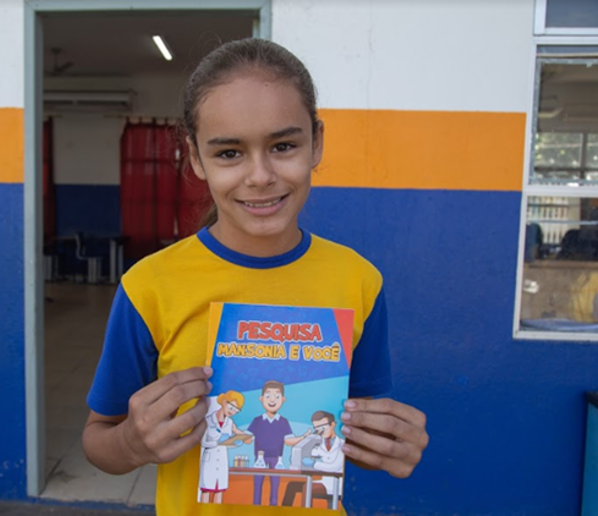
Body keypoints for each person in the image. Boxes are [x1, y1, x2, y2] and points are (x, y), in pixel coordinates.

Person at [82, 38, 429, 516]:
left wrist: (391, 444)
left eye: (283, 145)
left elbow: (349, 436)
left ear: (317, 143)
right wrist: (131, 442)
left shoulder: (360, 282)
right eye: (229, 153)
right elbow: (99, 439)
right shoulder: (149, 287)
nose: (261, 175)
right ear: (196, 158)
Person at [246, 380, 310, 506]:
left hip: (277, 460)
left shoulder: (283, 422)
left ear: (283, 399)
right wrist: (239, 435)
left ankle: (274, 508)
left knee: (275, 488)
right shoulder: (257, 421)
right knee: (257, 486)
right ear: (261, 398)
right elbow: (248, 439)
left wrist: (302, 437)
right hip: (259, 459)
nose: (272, 400)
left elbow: (288, 441)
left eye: (277, 396)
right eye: (268, 396)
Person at [282, 410, 345, 507]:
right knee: (292, 485)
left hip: (337, 484)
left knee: (308, 488)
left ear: (332, 425)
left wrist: (314, 464)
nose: (321, 431)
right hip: (325, 482)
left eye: (323, 427)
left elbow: (334, 467)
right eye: (317, 428)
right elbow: (309, 453)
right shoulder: (321, 444)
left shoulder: (342, 445)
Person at [199, 390, 250, 504]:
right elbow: (203, 442)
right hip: (209, 461)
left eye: (236, 410)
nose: (232, 411)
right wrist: (217, 442)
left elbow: (236, 433)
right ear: (223, 402)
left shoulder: (230, 422)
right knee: (206, 491)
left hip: (222, 461)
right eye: (231, 407)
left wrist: (242, 438)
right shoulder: (208, 420)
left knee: (219, 491)